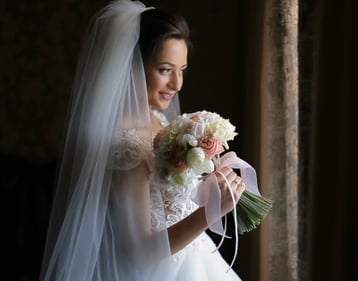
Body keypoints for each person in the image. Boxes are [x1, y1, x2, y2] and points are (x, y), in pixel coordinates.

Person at [38, 0, 246, 280]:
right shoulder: (126, 146)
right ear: (132, 67)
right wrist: (210, 213)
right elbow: (140, 251)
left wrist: (209, 186)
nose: (177, 84)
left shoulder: (158, 121)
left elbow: (170, 204)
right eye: (164, 69)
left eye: (181, 69)